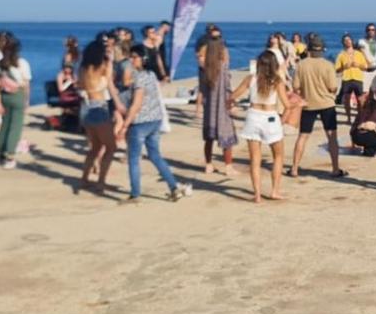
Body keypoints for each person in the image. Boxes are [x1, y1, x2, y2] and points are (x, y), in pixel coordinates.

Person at [117, 44, 192, 203]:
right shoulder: (151, 75)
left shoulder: (140, 77)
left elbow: (137, 104)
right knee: (155, 155)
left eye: (134, 57)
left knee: (134, 159)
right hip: (155, 120)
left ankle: (135, 194)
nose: (131, 60)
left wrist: (124, 126)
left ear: (143, 58)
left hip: (140, 123)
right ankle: (173, 187)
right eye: (130, 56)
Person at [230, 51, 290, 202]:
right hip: (270, 117)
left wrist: (231, 105)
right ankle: (274, 191)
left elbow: (233, 95)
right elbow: (287, 106)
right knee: (278, 156)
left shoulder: (251, 79)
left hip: (253, 116)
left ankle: (257, 195)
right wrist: (281, 122)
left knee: (254, 159)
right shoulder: (277, 81)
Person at [289, 35, 346, 178]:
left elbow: (295, 86)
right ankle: (335, 168)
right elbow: (333, 87)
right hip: (327, 104)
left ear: (308, 48)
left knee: (303, 136)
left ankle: (294, 168)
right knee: (332, 137)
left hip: (308, 104)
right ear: (322, 50)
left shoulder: (301, 65)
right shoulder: (327, 65)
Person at [78, 40, 126, 192]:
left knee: (95, 147)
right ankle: (101, 182)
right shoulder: (103, 67)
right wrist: (119, 104)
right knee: (111, 147)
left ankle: (84, 179)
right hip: (99, 108)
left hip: (85, 108)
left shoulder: (83, 69)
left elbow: (80, 87)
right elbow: (111, 86)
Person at [201, 37, 239, 176]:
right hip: (222, 106)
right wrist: (232, 103)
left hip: (209, 108)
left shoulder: (205, 67)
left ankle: (208, 165)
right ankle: (228, 167)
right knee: (227, 136)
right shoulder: (223, 67)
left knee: (209, 138)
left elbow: (202, 89)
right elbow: (227, 87)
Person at [0, 35, 31, 170]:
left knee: (5, 125)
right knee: (15, 126)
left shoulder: (1, 64)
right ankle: (10, 155)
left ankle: (1, 153)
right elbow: (26, 84)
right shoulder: (22, 63)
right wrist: (27, 100)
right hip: (17, 95)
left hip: (4, 95)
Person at [334, 34, 368, 124]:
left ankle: (360, 118)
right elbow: (336, 70)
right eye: (345, 40)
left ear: (352, 41)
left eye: (349, 40)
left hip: (358, 78)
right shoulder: (341, 55)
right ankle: (348, 118)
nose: (348, 41)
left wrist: (358, 65)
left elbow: (365, 67)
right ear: (343, 43)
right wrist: (344, 67)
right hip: (346, 79)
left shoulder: (359, 54)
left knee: (360, 100)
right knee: (347, 100)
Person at [358, 23, 376, 91]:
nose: (371, 31)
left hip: (375, 69)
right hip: (366, 70)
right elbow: (362, 53)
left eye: (373, 30)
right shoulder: (362, 42)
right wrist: (368, 62)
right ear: (366, 31)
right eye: (369, 30)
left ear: (375, 31)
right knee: (365, 91)